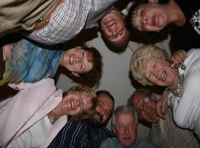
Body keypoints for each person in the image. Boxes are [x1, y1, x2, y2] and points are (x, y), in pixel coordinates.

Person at [0, 78, 97, 148]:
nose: (78, 103)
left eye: (82, 107)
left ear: (78, 115)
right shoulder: (47, 86)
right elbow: (12, 78)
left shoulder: (60, 125)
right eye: (80, 97)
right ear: (71, 91)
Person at [130, 44, 200, 139]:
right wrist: (166, 92)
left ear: (162, 58)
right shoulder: (170, 100)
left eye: (154, 65)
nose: (156, 73)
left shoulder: (188, 58)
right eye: (149, 75)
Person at [0, 0, 129, 47]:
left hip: (20, 22)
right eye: (121, 33)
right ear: (124, 17)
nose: (114, 32)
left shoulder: (90, 25)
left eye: (112, 37)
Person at [0, 38, 102, 86]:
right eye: (82, 55)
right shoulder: (56, 35)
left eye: (81, 66)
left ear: (76, 74)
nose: (78, 59)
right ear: (79, 47)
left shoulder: (46, 82)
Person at [128, 88, 200, 147]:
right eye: (139, 109)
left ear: (153, 97)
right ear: (141, 118)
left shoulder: (175, 107)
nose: (145, 108)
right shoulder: (151, 140)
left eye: (145, 101)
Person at [48, 90, 115, 148]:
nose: (102, 112)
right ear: (91, 102)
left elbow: (120, 135)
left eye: (107, 112)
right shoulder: (75, 118)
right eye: (100, 105)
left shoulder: (100, 131)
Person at [127, 0, 200, 51]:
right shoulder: (181, 45)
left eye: (141, 13)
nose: (144, 21)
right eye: (142, 26)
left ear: (152, 0)